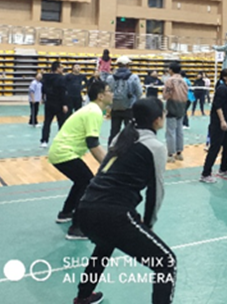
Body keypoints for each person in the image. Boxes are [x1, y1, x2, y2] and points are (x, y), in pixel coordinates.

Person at [73, 97, 175, 304]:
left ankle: (84, 296)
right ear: (157, 120)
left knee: (105, 243)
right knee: (166, 262)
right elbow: (156, 191)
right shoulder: (155, 147)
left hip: (85, 208)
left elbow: (102, 172)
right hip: (113, 213)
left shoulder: (122, 136)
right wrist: (149, 224)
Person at [48, 81, 112, 240]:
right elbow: (93, 144)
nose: (112, 94)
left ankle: (66, 213)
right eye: (109, 91)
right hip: (64, 153)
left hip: (60, 152)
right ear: (100, 96)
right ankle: (77, 228)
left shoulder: (92, 109)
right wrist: (109, 166)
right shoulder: (94, 112)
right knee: (88, 184)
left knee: (81, 182)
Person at [200, 68, 227, 183]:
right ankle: (205, 174)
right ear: (225, 77)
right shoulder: (222, 89)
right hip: (218, 124)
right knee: (215, 148)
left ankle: (224, 168)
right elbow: (218, 106)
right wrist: (222, 121)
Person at [107, 56, 143, 145]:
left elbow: (108, 92)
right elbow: (139, 93)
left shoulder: (110, 78)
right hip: (129, 107)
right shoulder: (133, 77)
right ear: (127, 65)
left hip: (115, 107)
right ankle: (129, 150)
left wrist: (109, 106)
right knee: (130, 131)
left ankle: (111, 149)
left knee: (114, 131)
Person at [163, 63, 188, 163]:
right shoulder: (184, 81)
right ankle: (179, 153)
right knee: (179, 130)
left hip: (172, 105)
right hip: (182, 106)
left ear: (171, 70)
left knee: (171, 131)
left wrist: (165, 97)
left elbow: (167, 94)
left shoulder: (170, 80)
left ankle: (170, 154)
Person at [41, 61, 69, 148]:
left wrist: (43, 98)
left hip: (49, 102)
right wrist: (64, 104)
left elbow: (43, 89)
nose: (62, 69)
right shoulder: (61, 78)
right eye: (61, 67)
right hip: (59, 103)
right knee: (61, 123)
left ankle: (44, 141)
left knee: (47, 122)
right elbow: (63, 92)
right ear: (57, 69)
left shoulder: (46, 77)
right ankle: (62, 141)